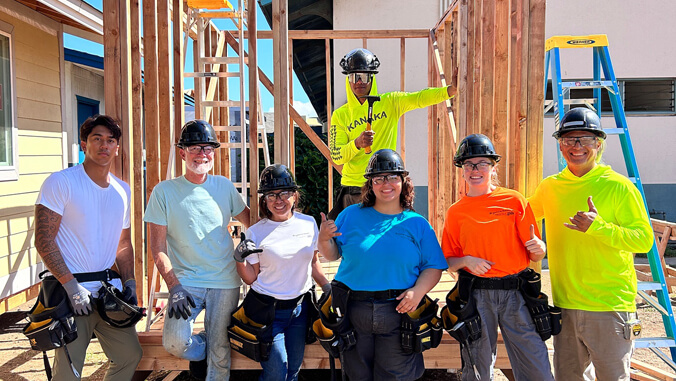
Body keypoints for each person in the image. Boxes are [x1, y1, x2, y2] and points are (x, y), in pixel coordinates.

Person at [529, 107, 654, 381]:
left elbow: (643, 240)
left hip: (609, 307)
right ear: (560, 144)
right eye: (569, 139)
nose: (576, 146)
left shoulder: (619, 187)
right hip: (566, 305)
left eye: (584, 139)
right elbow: (521, 219)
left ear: (598, 143)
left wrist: (598, 227)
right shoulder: (550, 187)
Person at [318, 148, 448, 380]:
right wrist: (323, 239)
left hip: (398, 311)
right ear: (370, 184)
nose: (385, 184)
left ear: (403, 182)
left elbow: (434, 266)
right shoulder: (350, 215)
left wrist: (418, 292)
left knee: (396, 375)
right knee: (357, 375)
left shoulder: (416, 223)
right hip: (353, 309)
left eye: (392, 177)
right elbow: (332, 255)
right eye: (378, 178)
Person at [34, 114, 142, 380]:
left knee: (129, 355)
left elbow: (123, 244)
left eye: (111, 140)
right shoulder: (62, 182)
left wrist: (130, 284)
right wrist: (71, 287)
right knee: (68, 374)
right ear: (84, 144)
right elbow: (44, 239)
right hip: (72, 296)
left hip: (108, 295)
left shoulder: (123, 191)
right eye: (97, 139)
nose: (104, 145)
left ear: (117, 148)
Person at [144, 119, 252, 380]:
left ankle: (216, 341)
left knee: (221, 352)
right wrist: (174, 287)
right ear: (182, 152)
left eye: (208, 148)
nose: (202, 154)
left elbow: (253, 223)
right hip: (186, 283)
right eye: (195, 148)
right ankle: (208, 340)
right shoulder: (164, 192)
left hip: (225, 280)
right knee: (175, 343)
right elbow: (157, 248)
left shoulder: (224, 186)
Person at [441, 134, 554, 381]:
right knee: (477, 366)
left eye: (482, 163)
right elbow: (447, 260)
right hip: (477, 294)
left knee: (535, 361)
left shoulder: (514, 200)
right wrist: (466, 261)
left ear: (493, 166)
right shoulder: (455, 212)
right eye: (468, 164)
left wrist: (540, 248)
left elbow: (537, 250)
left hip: (516, 293)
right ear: (461, 170)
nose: (475, 170)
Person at [327, 48, 457, 219]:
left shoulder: (390, 102)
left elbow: (419, 98)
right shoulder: (340, 115)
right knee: (353, 240)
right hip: (354, 189)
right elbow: (337, 156)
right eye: (354, 76)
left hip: (383, 185)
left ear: (372, 78)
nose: (359, 81)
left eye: (364, 76)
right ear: (348, 79)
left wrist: (449, 91)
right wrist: (357, 144)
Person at [234, 164, 330, 381]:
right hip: (268, 312)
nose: (278, 200)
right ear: (264, 201)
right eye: (271, 195)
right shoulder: (255, 232)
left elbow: (313, 262)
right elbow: (251, 277)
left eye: (285, 193)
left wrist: (327, 286)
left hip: (300, 310)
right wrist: (239, 260)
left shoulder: (308, 224)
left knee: (293, 370)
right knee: (277, 372)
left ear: (294, 196)